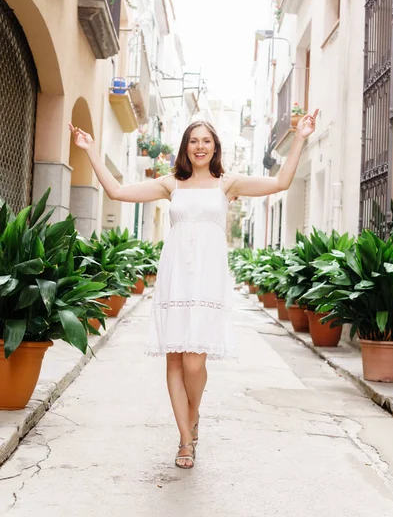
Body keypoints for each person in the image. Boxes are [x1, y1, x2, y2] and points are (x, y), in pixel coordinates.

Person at [69, 110, 318, 469]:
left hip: (208, 279)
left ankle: (193, 412)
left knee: (193, 361)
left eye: (206, 141)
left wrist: (300, 138)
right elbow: (117, 190)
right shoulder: (172, 184)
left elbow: (280, 183)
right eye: (193, 140)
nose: (199, 146)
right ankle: (186, 440)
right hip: (175, 277)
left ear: (215, 147)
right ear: (185, 148)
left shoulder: (227, 184)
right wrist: (91, 150)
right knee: (174, 358)